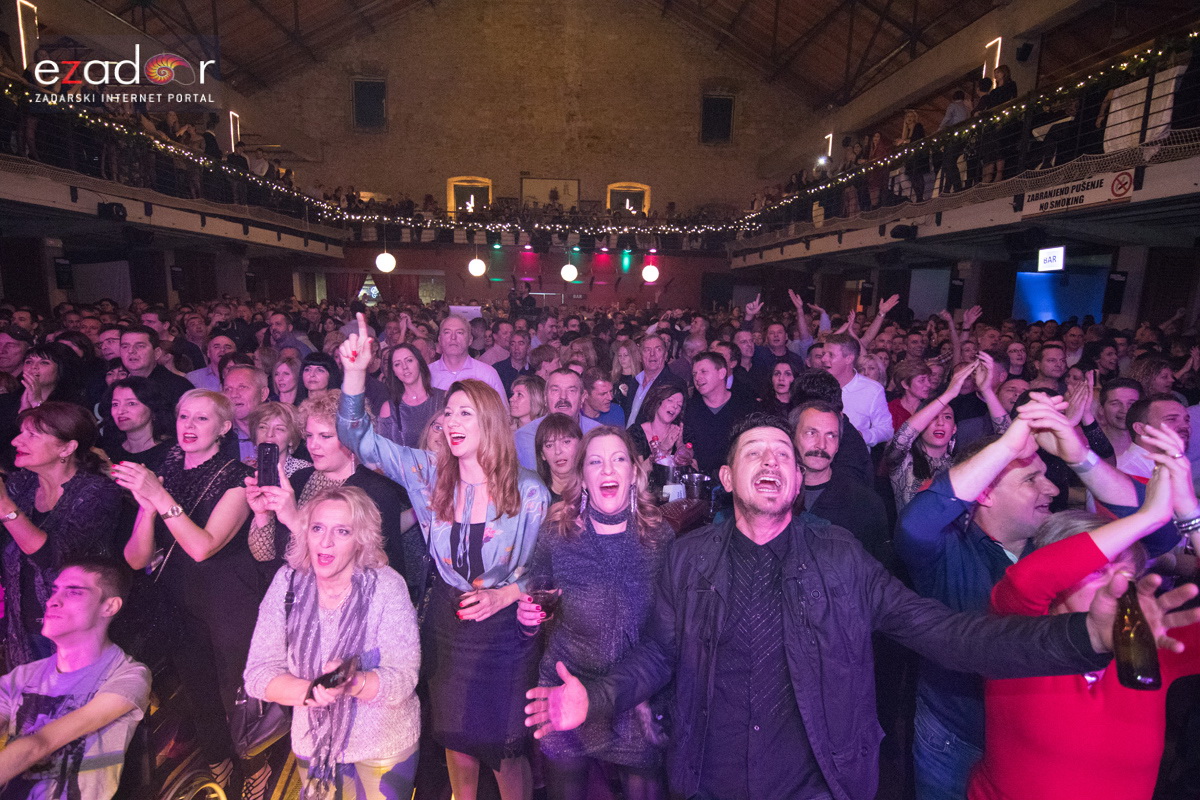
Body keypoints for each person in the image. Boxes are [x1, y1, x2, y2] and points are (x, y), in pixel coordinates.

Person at [525, 413, 1198, 800]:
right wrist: (597, 695)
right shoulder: (690, 556)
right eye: (753, 453)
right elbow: (662, 653)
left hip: (818, 783)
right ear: (727, 479)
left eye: (782, 453)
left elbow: (954, 635)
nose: (771, 461)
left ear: (796, 477)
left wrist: (1084, 637)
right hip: (710, 782)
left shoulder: (842, 557)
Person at [894, 394, 1172, 800]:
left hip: (1035, 739)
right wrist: (1007, 446)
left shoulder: (1054, 545)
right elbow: (915, 525)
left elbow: (1159, 533)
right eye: (1030, 479)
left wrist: (1082, 459)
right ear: (984, 493)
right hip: (956, 733)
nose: (1052, 487)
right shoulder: (946, 547)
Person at [336, 315, 549, 800]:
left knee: (506, 749)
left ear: (491, 421)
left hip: (507, 630)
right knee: (455, 741)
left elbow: (551, 567)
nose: (451, 423)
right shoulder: (427, 471)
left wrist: (506, 595)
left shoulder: (529, 490)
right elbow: (356, 437)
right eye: (447, 414)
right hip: (447, 620)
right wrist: (354, 374)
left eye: (464, 414)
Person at [969, 438, 1200, 800]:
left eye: (1127, 572)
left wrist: (1190, 515)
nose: (1119, 583)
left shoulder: (1151, 641)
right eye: (1097, 570)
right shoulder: (1019, 631)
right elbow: (1030, 579)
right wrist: (1147, 518)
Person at [113, 390, 267, 796]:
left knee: (235, 686)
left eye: (201, 419)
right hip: (175, 594)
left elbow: (203, 546)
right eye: (184, 417)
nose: (189, 426)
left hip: (226, 596)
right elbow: (135, 559)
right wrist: (146, 509)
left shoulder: (237, 475)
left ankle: (256, 760)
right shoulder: (166, 467)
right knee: (197, 687)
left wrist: (159, 496)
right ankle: (217, 759)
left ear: (223, 428)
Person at [517, 427, 672, 800]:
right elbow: (539, 601)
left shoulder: (660, 538)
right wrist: (528, 622)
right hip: (567, 687)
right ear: (582, 477)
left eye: (619, 459)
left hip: (636, 698)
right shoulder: (556, 532)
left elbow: (668, 635)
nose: (607, 470)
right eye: (595, 462)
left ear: (634, 473)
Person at [244, 487, 421, 800]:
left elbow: (404, 677)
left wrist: (354, 682)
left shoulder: (387, 586)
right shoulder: (287, 583)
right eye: (317, 528)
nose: (325, 542)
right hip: (314, 744)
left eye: (342, 531)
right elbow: (258, 673)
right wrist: (310, 692)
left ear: (360, 540)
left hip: (383, 742)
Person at [0, 559, 151, 800]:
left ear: (109, 607)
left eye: (73, 592)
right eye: (54, 590)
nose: (52, 601)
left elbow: (41, 743)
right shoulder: (23, 676)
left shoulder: (127, 674)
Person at [245, 390, 412, 585]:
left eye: (325, 436)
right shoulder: (299, 479)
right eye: (309, 435)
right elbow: (264, 555)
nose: (313, 445)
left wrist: (294, 520)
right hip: (295, 597)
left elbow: (375, 570)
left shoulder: (376, 492)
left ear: (353, 440)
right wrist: (262, 514)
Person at [0, 404, 122, 667]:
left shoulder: (97, 493)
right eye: (21, 432)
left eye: (32, 435)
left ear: (67, 448)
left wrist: (7, 509)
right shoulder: (21, 484)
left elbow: (56, 558)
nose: (16, 441)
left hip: (76, 627)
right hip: (22, 624)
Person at [794, 401, 891, 566]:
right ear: (792, 437)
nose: (821, 445)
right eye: (811, 433)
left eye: (831, 435)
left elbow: (879, 574)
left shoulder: (865, 503)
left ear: (839, 445)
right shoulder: (773, 497)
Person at [886, 363, 973, 511]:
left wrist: (987, 391)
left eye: (947, 417)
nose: (940, 422)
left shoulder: (960, 465)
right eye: (933, 417)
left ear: (954, 429)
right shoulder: (903, 460)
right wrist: (949, 394)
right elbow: (902, 437)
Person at [682, 352, 758, 475]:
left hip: (736, 481)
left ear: (722, 373)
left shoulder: (746, 407)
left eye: (703, 372)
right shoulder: (689, 408)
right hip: (699, 482)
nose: (697, 378)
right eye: (694, 374)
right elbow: (686, 444)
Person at [515, 369, 602, 471]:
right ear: (545, 397)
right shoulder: (527, 436)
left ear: (582, 398)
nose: (563, 397)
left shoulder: (598, 434)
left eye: (571, 390)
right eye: (555, 390)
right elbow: (535, 481)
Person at [429, 316, 508, 406]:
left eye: (459, 333)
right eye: (447, 332)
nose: (453, 337)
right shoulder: (427, 374)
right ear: (440, 339)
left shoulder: (487, 374)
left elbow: (503, 415)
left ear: (470, 340)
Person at [378, 343, 446, 449]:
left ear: (419, 362)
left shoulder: (445, 398)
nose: (404, 367)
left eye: (409, 360)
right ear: (394, 372)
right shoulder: (388, 409)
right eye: (397, 364)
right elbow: (384, 452)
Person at [101, 377, 174, 472]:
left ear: (153, 408)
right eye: (115, 404)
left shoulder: (172, 452)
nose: (120, 411)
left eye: (131, 403)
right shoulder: (110, 449)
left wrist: (111, 471)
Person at [1118, 393, 1191, 479]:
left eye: (1186, 420)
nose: (1185, 426)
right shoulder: (1126, 473)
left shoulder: (1174, 464)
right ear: (1141, 429)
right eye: (1171, 419)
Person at [118, 326, 193, 410]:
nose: (131, 351)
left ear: (157, 353)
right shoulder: (119, 386)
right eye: (125, 346)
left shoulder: (178, 386)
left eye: (140, 346)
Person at [624, 334, 686, 427]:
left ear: (665, 355)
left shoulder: (674, 384)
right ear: (640, 356)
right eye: (647, 350)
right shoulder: (634, 382)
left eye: (658, 349)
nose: (652, 354)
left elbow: (675, 422)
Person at [629, 385, 692, 468]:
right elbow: (638, 475)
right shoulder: (635, 433)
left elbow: (694, 472)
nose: (675, 406)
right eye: (670, 400)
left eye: (679, 405)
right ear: (657, 403)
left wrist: (680, 447)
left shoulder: (683, 433)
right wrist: (662, 450)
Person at [246, 401, 312, 478]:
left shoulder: (306, 472)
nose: (269, 434)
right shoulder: (246, 470)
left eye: (279, 429)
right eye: (263, 427)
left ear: (291, 438)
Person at [223, 365, 271, 463]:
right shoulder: (219, 437)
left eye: (242, 387)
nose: (233, 395)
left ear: (263, 394)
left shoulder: (282, 431)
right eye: (228, 389)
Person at [534, 414, 583, 504]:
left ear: (580, 445)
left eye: (566, 442)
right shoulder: (535, 497)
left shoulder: (592, 491)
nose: (558, 451)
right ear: (542, 455)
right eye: (549, 445)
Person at [1098, 377, 1143, 459]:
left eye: (1131, 403)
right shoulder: (1089, 445)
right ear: (1101, 409)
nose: (1124, 410)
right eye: (1115, 403)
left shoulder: (1151, 446)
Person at [889, 360, 934, 429]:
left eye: (929, 380)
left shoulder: (931, 407)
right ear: (905, 384)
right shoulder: (891, 409)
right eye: (922, 380)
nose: (929, 385)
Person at [495, 329, 531, 396]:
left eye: (521, 344)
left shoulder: (532, 372)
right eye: (512, 344)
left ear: (528, 347)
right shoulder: (497, 370)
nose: (516, 348)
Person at [609, 339, 642, 411]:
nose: (622, 359)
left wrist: (629, 394)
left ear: (633, 356)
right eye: (620, 355)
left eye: (626, 355)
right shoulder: (613, 376)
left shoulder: (640, 378)